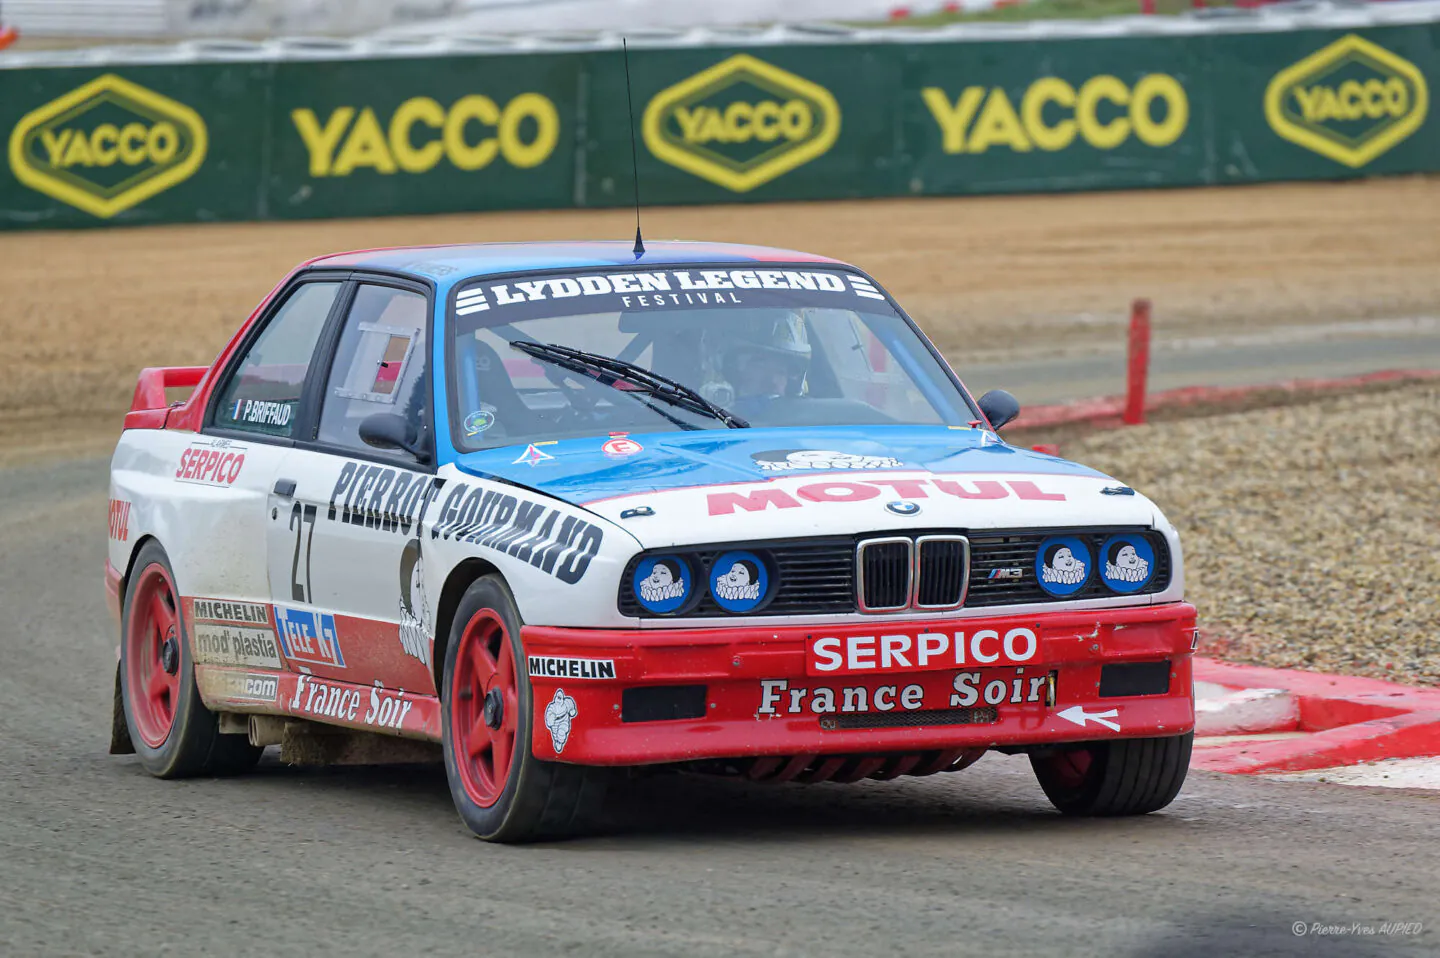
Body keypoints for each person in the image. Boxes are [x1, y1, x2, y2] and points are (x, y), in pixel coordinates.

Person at [717, 311, 812, 412]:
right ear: (734, 370)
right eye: (760, 366)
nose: (773, 381)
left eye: (781, 372)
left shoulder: (808, 423)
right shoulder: (709, 420)